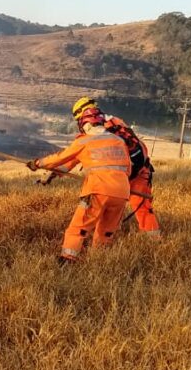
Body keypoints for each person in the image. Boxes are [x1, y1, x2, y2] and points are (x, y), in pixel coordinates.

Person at [27, 106, 131, 264]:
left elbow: (60, 157)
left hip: (97, 190)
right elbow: (128, 169)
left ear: (86, 125)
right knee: (106, 231)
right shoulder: (119, 141)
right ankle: (99, 262)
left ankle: (67, 260)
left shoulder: (84, 141)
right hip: (122, 192)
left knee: (79, 227)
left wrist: (37, 163)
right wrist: (53, 174)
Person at [71, 97, 161, 238]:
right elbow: (138, 146)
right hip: (139, 171)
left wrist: (53, 171)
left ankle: (101, 241)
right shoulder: (116, 121)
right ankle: (153, 239)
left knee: (104, 207)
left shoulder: (94, 127)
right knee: (143, 209)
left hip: (116, 176)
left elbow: (78, 153)